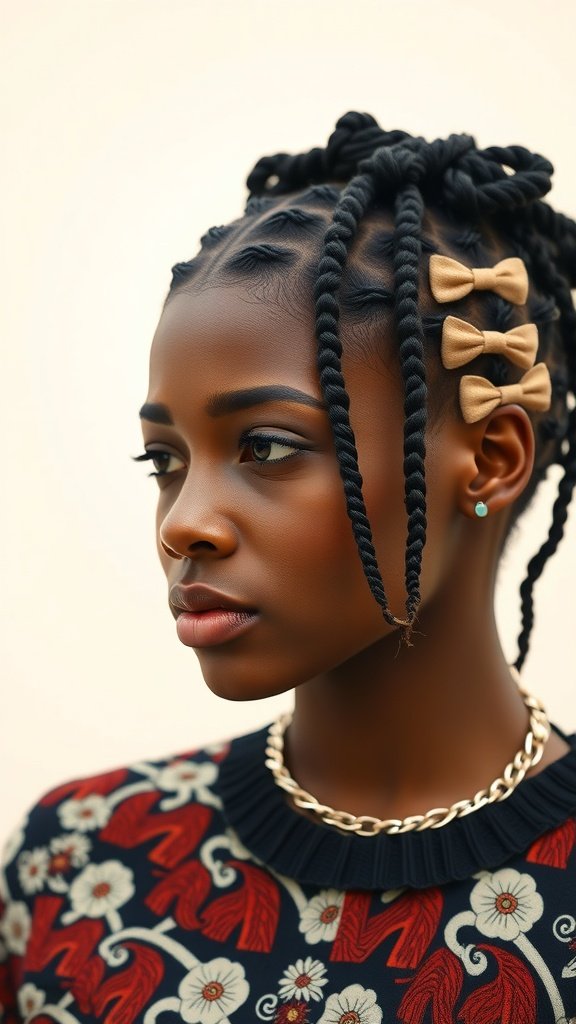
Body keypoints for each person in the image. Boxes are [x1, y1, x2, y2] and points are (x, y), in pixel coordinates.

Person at [1, 111, 576, 1024]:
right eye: (166, 460)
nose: (184, 523)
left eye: (267, 447)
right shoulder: (75, 866)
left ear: (492, 458)